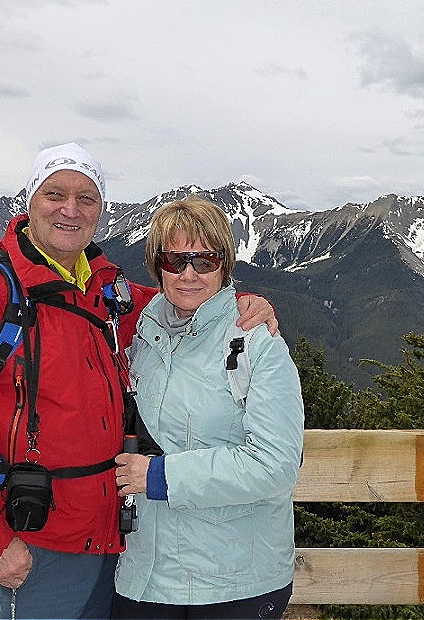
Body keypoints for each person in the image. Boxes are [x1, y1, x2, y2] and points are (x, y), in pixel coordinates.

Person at [0, 143, 277, 620]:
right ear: (29, 200)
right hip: (30, 543)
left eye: (86, 199)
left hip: (114, 549)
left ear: (100, 211)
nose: (70, 210)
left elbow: (186, 297)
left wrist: (244, 305)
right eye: (55, 194)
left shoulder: (107, 295)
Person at [111, 195, 304, 619]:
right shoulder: (139, 335)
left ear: (225, 264)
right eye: (175, 259)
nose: (189, 274)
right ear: (157, 264)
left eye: (205, 259)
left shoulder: (257, 342)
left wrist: (161, 476)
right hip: (147, 572)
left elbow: (276, 464)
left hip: (236, 579)